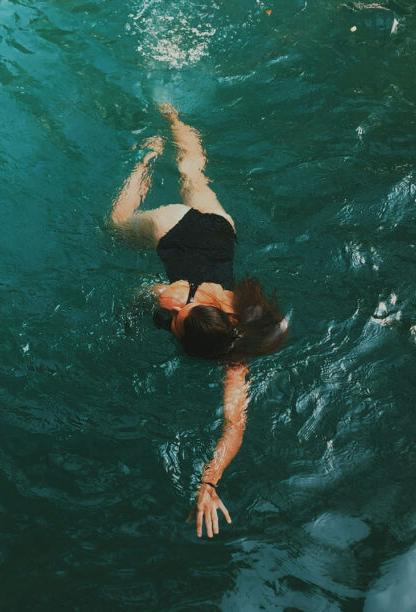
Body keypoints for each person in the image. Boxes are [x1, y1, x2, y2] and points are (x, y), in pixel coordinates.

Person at [109, 103, 288, 539]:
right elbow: (139, 296)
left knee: (193, 173)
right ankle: (146, 157)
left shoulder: (236, 337)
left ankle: (172, 116)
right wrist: (152, 296)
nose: (173, 313)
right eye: (179, 316)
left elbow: (234, 425)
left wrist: (209, 481)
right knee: (114, 227)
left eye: (174, 320)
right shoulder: (176, 297)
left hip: (221, 230)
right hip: (176, 228)